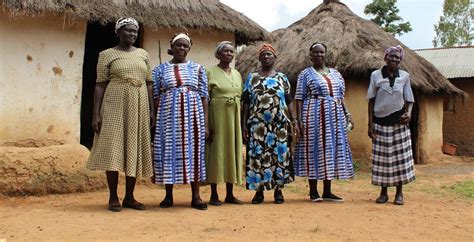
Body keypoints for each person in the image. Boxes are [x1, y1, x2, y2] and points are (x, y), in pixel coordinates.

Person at [87, 17, 155, 212]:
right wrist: (95, 114)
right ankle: (113, 197)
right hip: (114, 103)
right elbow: (100, 84)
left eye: (135, 31)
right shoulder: (107, 54)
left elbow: (149, 82)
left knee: (133, 147)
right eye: (128, 30)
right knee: (114, 148)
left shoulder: (143, 54)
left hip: (139, 103)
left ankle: (130, 197)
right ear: (118, 32)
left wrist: (151, 109)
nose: (132, 34)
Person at [152, 33, 209, 210]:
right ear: (172, 47)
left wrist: (206, 124)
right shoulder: (160, 70)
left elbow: (205, 97)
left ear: (189, 48)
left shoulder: (198, 69)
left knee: (194, 153)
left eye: (185, 46)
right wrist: (154, 117)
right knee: (168, 150)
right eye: (179, 45)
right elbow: (155, 96)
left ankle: (196, 197)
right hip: (168, 117)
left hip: (194, 116)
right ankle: (168, 196)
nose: (182, 49)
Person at [294, 42, 354, 203]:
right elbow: (299, 98)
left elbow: (341, 97)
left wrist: (347, 114)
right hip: (313, 116)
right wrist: (299, 120)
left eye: (322, 52)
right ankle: (313, 191)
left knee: (330, 151)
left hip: (335, 117)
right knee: (314, 149)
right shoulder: (305, 74)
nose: (319, 55)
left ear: (326, 54)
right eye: (316, 53)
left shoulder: (336, 74)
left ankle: (327, 191)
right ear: (310, 55)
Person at [242, 44, 297, 204]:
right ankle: (259, 192)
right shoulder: (252, 78)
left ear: (274, 58)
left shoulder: (282, 78)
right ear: (259, 58)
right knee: (258, 157)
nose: (266, 57)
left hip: (279, 126)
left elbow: (289, 101)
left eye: (269, 55)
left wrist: (293, 120)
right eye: (263, 55)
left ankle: (278, 191)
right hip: (257, 126)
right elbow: (245, 102)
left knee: (278, 157)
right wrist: (244, 124)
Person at [367, 45, 415, 205]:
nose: (394, 59)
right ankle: (383, 192)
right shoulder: (375, 75)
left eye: (397, 57)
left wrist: (409, 113)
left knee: (400, 158)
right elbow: (371, 100)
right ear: (385, 57)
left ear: (400, 60)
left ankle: (399, 193)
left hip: (399, 123)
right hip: (380, 123)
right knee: (383, 159)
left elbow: (410, 100)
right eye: (391, 56)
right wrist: (370, 124)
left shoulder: (405, 77)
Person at [206, 41, 243, 206]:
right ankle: (214, 194)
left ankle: (230, 193)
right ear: (218, 54)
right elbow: (204, 98)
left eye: (231, 51)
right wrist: (207, 123)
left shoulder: (237, 74)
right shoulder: (209, 72)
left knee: (231, 150)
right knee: (216, 151)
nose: (229, 54)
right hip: (217, 115)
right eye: (226, 51)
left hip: (234, 117)